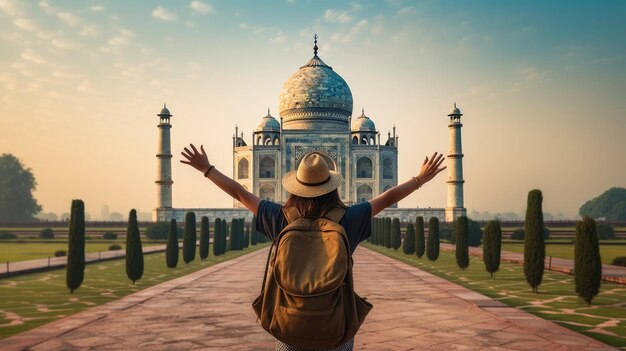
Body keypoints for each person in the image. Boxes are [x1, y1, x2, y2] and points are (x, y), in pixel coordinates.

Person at [180, 144, 446, 351]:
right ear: (332, 186)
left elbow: (239, 193)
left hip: (288, 322)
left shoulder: (280, 217)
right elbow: (387, 198)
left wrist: (207, 169)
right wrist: (421, 178)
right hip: (335, 324)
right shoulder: (348, 219)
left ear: (296, 186)